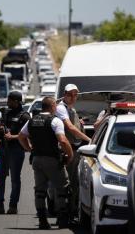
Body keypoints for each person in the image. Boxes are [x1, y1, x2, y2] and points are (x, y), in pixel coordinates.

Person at [18, 97, 73, 229]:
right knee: (62, 189)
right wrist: (70, 155)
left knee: (40, 191)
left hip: (37, 159)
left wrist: (29, 148)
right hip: (52, 159)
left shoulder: (32, 121)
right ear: (53, 106)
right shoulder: (55, 121)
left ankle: (43, 221)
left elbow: (21, 136)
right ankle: (62, 219)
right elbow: (63, 141)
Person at [0, 90, 31, 215]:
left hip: (16, 150)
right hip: (3, 149)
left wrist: (14, 137)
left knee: (15, 179)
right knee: (0, 177)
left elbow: (28, 135)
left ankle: (13, 206)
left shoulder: (24, 116)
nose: (7, 102)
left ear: (16, 101)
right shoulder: (6, 112)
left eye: (10, 100)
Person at [55, 83, 91, 220]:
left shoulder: (71, 109)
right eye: (70, 94)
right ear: (64, 94)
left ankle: (72, 211)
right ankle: (65, 214)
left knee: (74, 182)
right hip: (67, 148)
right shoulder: (61, 108)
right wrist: (89, 140)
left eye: (75, 94)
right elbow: (70, 128)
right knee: (68, 183)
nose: (73, 97)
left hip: (75, 148)